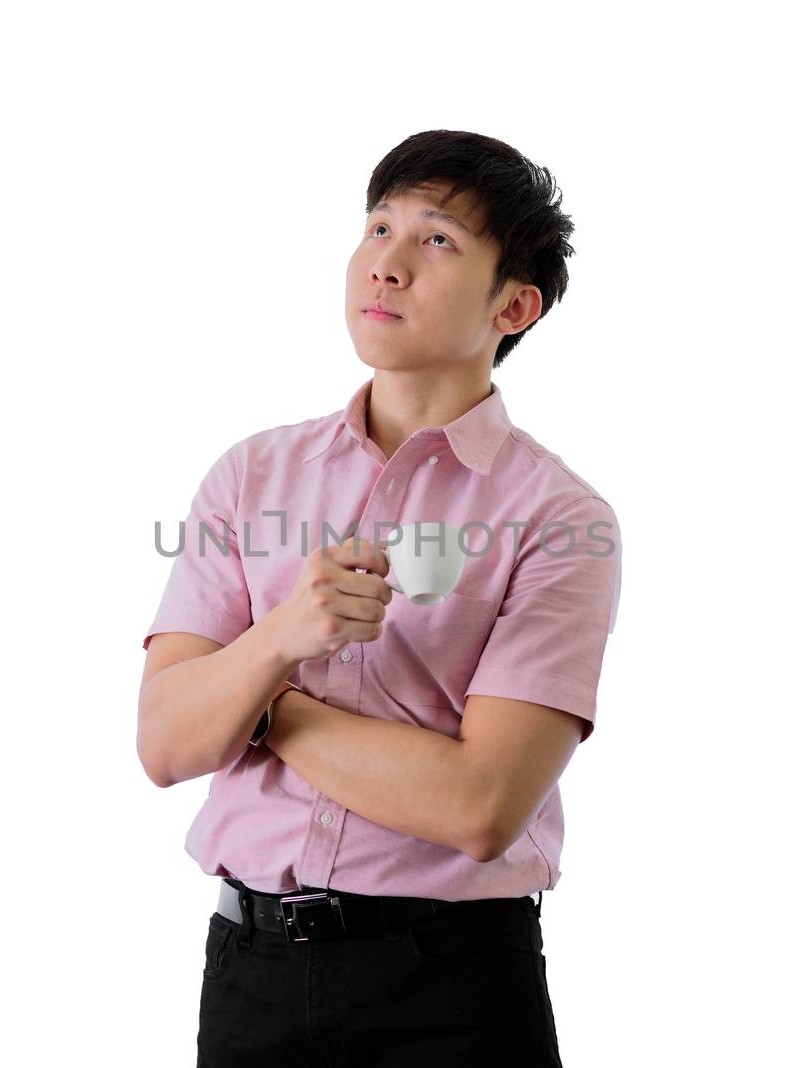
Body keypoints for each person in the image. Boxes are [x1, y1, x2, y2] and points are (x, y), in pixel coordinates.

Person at [138, 130, 621, 1067]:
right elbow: (163, 743)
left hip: (453, 988)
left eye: (437, 241)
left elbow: (483, 806)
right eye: (378, 227)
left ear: (514, 305)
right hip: (251, 974)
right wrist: (282, 635)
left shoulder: (561, 519)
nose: (387, 265)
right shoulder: (250, 476)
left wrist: (259, 708)